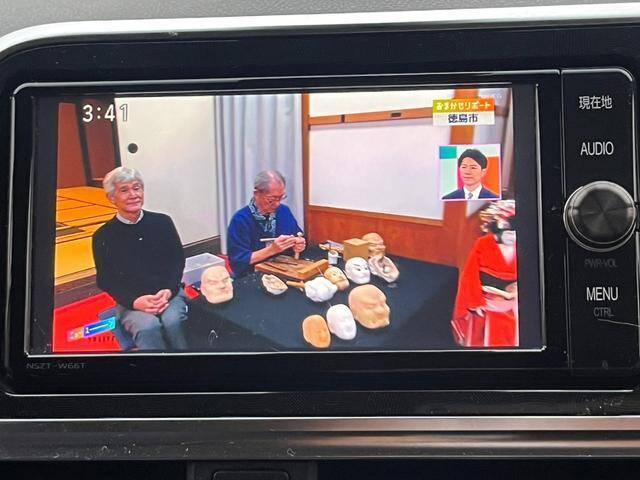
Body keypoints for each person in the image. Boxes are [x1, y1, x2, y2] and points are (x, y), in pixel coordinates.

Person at [92, 166, 188, 351]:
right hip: (132, 300)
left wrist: (168, 290)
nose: (133, 195)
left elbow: (177, 260)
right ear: (111, 198)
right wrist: (134, 301)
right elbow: (106, 279)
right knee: (147, 327)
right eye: (124, 190)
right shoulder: (103, 236)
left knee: (173, 321)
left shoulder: (163, 222)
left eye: (137, 188)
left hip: (169, 292)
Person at [450, 200, 518, 347]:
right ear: (497, 231)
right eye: (509, 233)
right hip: (487, 300)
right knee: (483, 336)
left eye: (516, 233)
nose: (513, 237)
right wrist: (475, 301)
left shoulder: (524, 245)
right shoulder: (483, 243)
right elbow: (470, 275)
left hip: (515, 301)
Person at [227, 170, 305, 277]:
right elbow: (238, 261)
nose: (277, 204)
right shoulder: (240, 220)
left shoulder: (284, 211)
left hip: (283, 269)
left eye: (281, 198)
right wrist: (272, 250)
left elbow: (297, 235)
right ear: (257, 194)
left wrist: (299, 244)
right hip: (251, 274)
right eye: (271, 199)